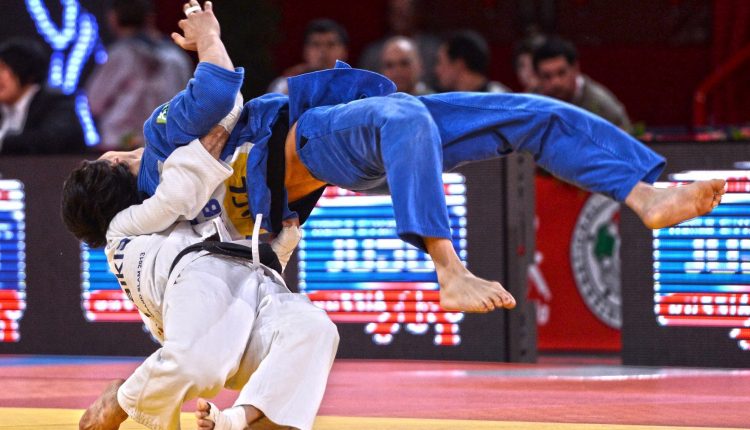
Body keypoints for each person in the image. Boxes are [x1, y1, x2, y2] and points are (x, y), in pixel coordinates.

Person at [62, 2, 726, 315]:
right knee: (416, 114)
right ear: (113, 164)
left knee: (529, 116)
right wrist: (208, 35)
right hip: (314, 141)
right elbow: (214, 89)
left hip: (348, 151)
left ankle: (643, 194)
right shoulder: (155, 152)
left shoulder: (170, 227)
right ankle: (449, 269)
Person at [64, 6, 338, 430]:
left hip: (235, 286)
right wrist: (209, 38)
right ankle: (123, 399)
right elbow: (213, 109)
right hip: (198, 290)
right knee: (199, 366)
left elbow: (232, 239)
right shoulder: (133, 216)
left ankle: (242, 420)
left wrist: (279, 250)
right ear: (114, 161)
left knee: (313, 329)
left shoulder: (163, 213)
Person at [86, 0, 193, 150]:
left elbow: (94, 102)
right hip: (167, 144)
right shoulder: (177, 56)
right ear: (150, 18)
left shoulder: (121, 54)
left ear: (114, 17)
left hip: (121, 146)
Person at [0, 38, 85, 155]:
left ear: (26, 70)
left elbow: (51, 140)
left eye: (3, 68)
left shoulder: (56, 103)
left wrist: (3, 142)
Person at [533, 36, 632, 131]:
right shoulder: (532, 103)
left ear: (575, 69)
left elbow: (626, 137)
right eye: (547, 76)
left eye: (561, 73)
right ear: (537, 76)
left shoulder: (603, 105)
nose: (556, 83)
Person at [266, 18, 349, 95]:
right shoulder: (285, 84)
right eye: (316, 44)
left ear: (344, 51)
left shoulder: (355, 85)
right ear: (305, 51)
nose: (323, 50)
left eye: (331, 44)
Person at [434, 30, 510, 93]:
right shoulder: (441, 101)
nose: (436, 70)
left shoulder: (499, 99)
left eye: (440, 62)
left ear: (459, 65)